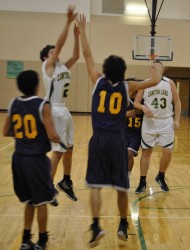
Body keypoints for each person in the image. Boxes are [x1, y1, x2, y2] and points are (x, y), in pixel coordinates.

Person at [77, 14, 162, 248]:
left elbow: (87, 56)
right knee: (121, 185)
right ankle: (123, 224)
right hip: (117, 140)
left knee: (95, 185)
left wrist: (82, 32)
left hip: (98, 140)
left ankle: (95, 226)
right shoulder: (128, 86)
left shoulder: (96, 81)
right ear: (123, 71)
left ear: (105, 70)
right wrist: (156, 68)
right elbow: (153, 82)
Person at [3, 70, 63, 250]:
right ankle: (42, 241)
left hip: (18, 159)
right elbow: (52, 135)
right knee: (42, 202)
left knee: (29, 201)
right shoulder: (42, 105)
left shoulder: (13, 102)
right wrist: (60, 138)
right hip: (36, 161)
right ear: (37, 86)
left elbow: (6, 131)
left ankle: (25, 239)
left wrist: (24, 137)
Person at [40, 6, 79, 201]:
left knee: (69, 147)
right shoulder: (47, 66)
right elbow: (60, 45)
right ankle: (47, 187)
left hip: (64, 110)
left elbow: (76, 56)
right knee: (58, 151)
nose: (57, 52)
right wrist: (68, 21)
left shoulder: (62, 67)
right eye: (53, 51)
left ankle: (66, 180)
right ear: (47, 57)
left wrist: (77, 36)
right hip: (54, 110)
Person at [134, 60, 181, 194]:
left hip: (166, 122)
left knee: (168, 151)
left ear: (162, 70)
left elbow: (177, 102)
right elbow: (136, 103)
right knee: (146, 152)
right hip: (150, 122)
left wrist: (176, 120)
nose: (152, 69)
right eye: (151, 68)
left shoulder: (169, 83)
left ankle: (161, 175)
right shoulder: (145, 83)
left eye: (155, 68)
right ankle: (142, 181)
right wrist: (143, 107)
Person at [125, 90, 143, 178]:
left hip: (136, 134)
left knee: (129, 153)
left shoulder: (142, 102)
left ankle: (127, 177)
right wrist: (126, 114)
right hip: (124, 133)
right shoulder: (123, 101)